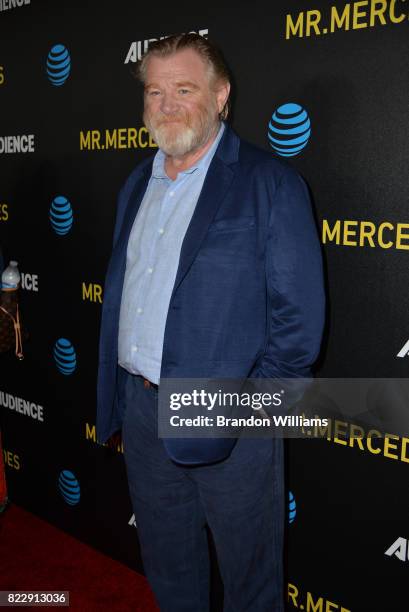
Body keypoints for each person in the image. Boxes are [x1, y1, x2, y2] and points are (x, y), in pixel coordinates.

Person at [97, 33, 325, 612]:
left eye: (183, 89)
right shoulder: (135, 184)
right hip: (144, 411)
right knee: (170, 572)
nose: (166, 105)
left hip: (231, 419)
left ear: (221, 96)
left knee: (251, 587)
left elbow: (297, 332)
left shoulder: (270, 184)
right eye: (154, 91)